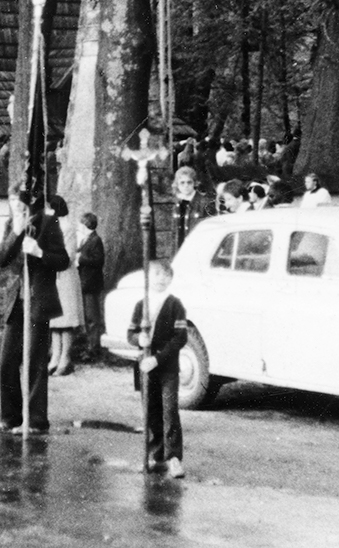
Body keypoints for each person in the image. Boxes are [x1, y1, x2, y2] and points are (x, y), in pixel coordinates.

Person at [0, 190, 69, 435]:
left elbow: (63, 260)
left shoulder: (47, 222)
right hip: (16, 301)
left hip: (38, 300)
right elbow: (1, 259)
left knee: (35, 362)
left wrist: (39, 252)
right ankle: (11, 417)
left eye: (19, 202)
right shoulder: (11, 224)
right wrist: (15, 232)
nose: (14, 206)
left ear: (28, 203)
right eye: (11, 201)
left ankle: (36, 421)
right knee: (7, 361)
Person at [129, 260, 188, 479]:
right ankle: (156, 455)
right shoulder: (141, 305)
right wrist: (139, 339)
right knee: (151, 411)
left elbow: (180, 337)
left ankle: (173, 458)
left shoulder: (175, 305)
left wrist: (158, 358)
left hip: (167, 368)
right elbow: (130, 333)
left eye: (166, 275)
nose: (161, 279)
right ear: (147, 277)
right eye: (156, 274)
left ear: (171, 279)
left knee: (169, 411)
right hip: (146, 367)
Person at [46, 195, 83, 377]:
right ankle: (55, 356)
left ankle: (65, 358)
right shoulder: (50, 226)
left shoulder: (66, 227)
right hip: (53, 276)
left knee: (66, 319)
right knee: (54, 320)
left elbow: (68, 256)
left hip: (64, 276)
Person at [76, 211, 106, 361]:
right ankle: (90, 347)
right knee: (88, 318)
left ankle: (94, 349)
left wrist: (80, 259)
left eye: (81, 223)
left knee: (92, 319)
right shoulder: (87, 239)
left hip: (91, 284)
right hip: (86, 283)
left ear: (86, 224)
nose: (79, 226)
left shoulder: (95, 240)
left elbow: (99, 260)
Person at [172, 167, 214, 250]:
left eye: (189, 182)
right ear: (177, 185)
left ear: (194, 183)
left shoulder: (204, 202)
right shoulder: (177, 204)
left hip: (198, 249)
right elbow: (174, 233)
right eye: (182, 183)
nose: (186, 186)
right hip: (181, 250)